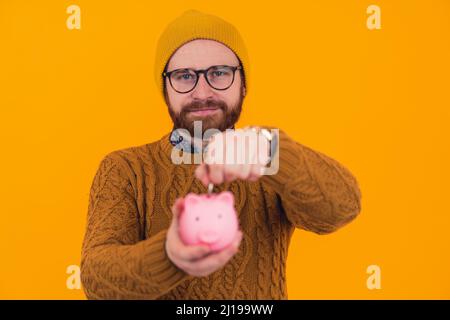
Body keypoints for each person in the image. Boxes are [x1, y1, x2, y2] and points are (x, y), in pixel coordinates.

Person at [80, 9, 362, 300]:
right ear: (165, 89)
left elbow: (342, 208)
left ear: (243, 83)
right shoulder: (126, 169)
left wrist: (274, 153)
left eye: (219, 73)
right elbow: (96, 280)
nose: (202, 91)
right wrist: (169, 255)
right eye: (184, 76)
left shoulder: (269, 160)